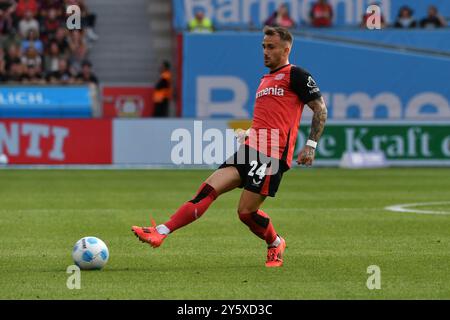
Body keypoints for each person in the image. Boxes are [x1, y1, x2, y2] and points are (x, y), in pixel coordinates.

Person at [131, 27, 328, 268]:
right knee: (207, 190)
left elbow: (320, 108)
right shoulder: (265, 79)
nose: (265, 52)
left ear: (286, 49)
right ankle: (161, 231)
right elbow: (271, 117)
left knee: (245, 213)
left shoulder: (296, 74)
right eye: (263, 47)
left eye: (271, 47)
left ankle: (275, 243)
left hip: (271, 156)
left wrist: (310, 145)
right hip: (249, 148)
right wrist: (251, 132)